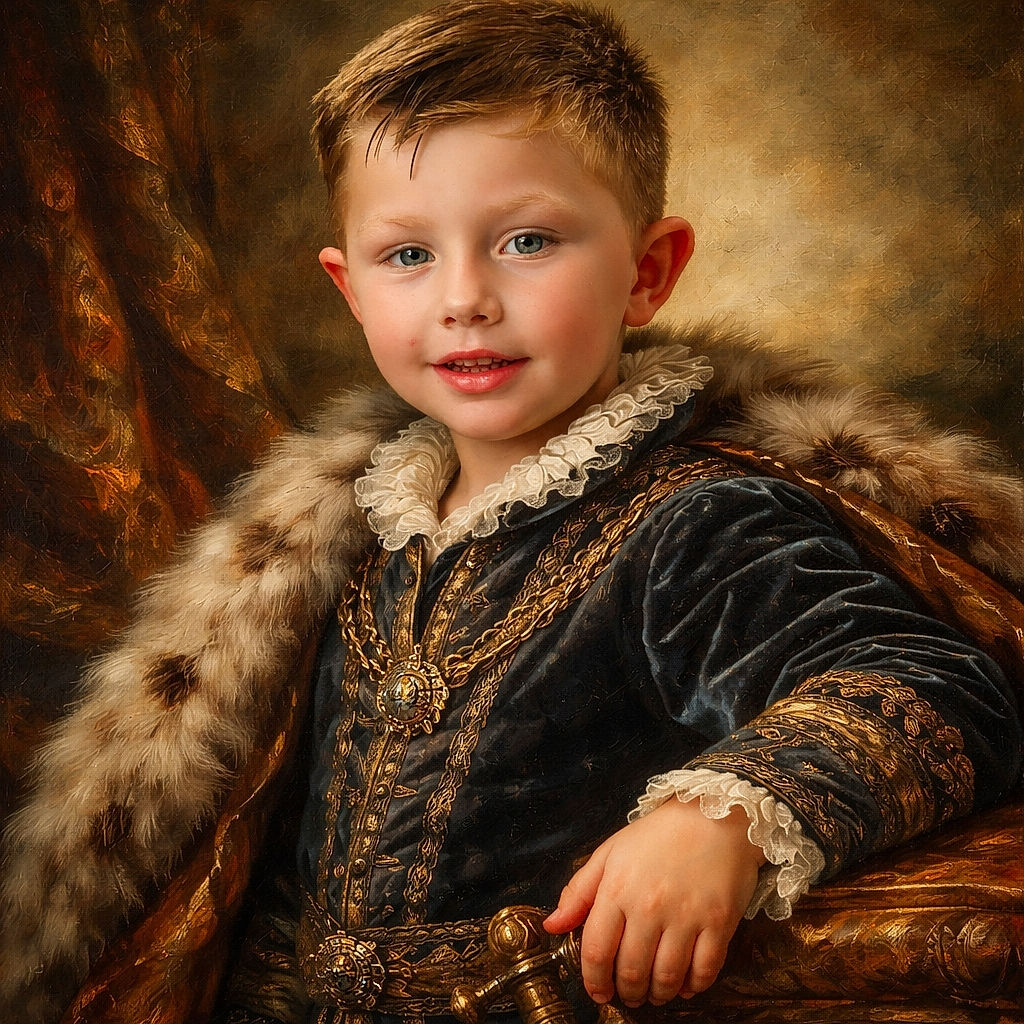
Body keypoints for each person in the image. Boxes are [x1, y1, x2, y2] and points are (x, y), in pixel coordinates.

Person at [2, 3, 1021, 1023]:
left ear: (648, 272)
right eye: (407, 256)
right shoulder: (349, 541)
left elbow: (931, 685)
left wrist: (722, 820)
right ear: (347, 288)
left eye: (527, 240)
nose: (465, 298)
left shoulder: (696, 522)